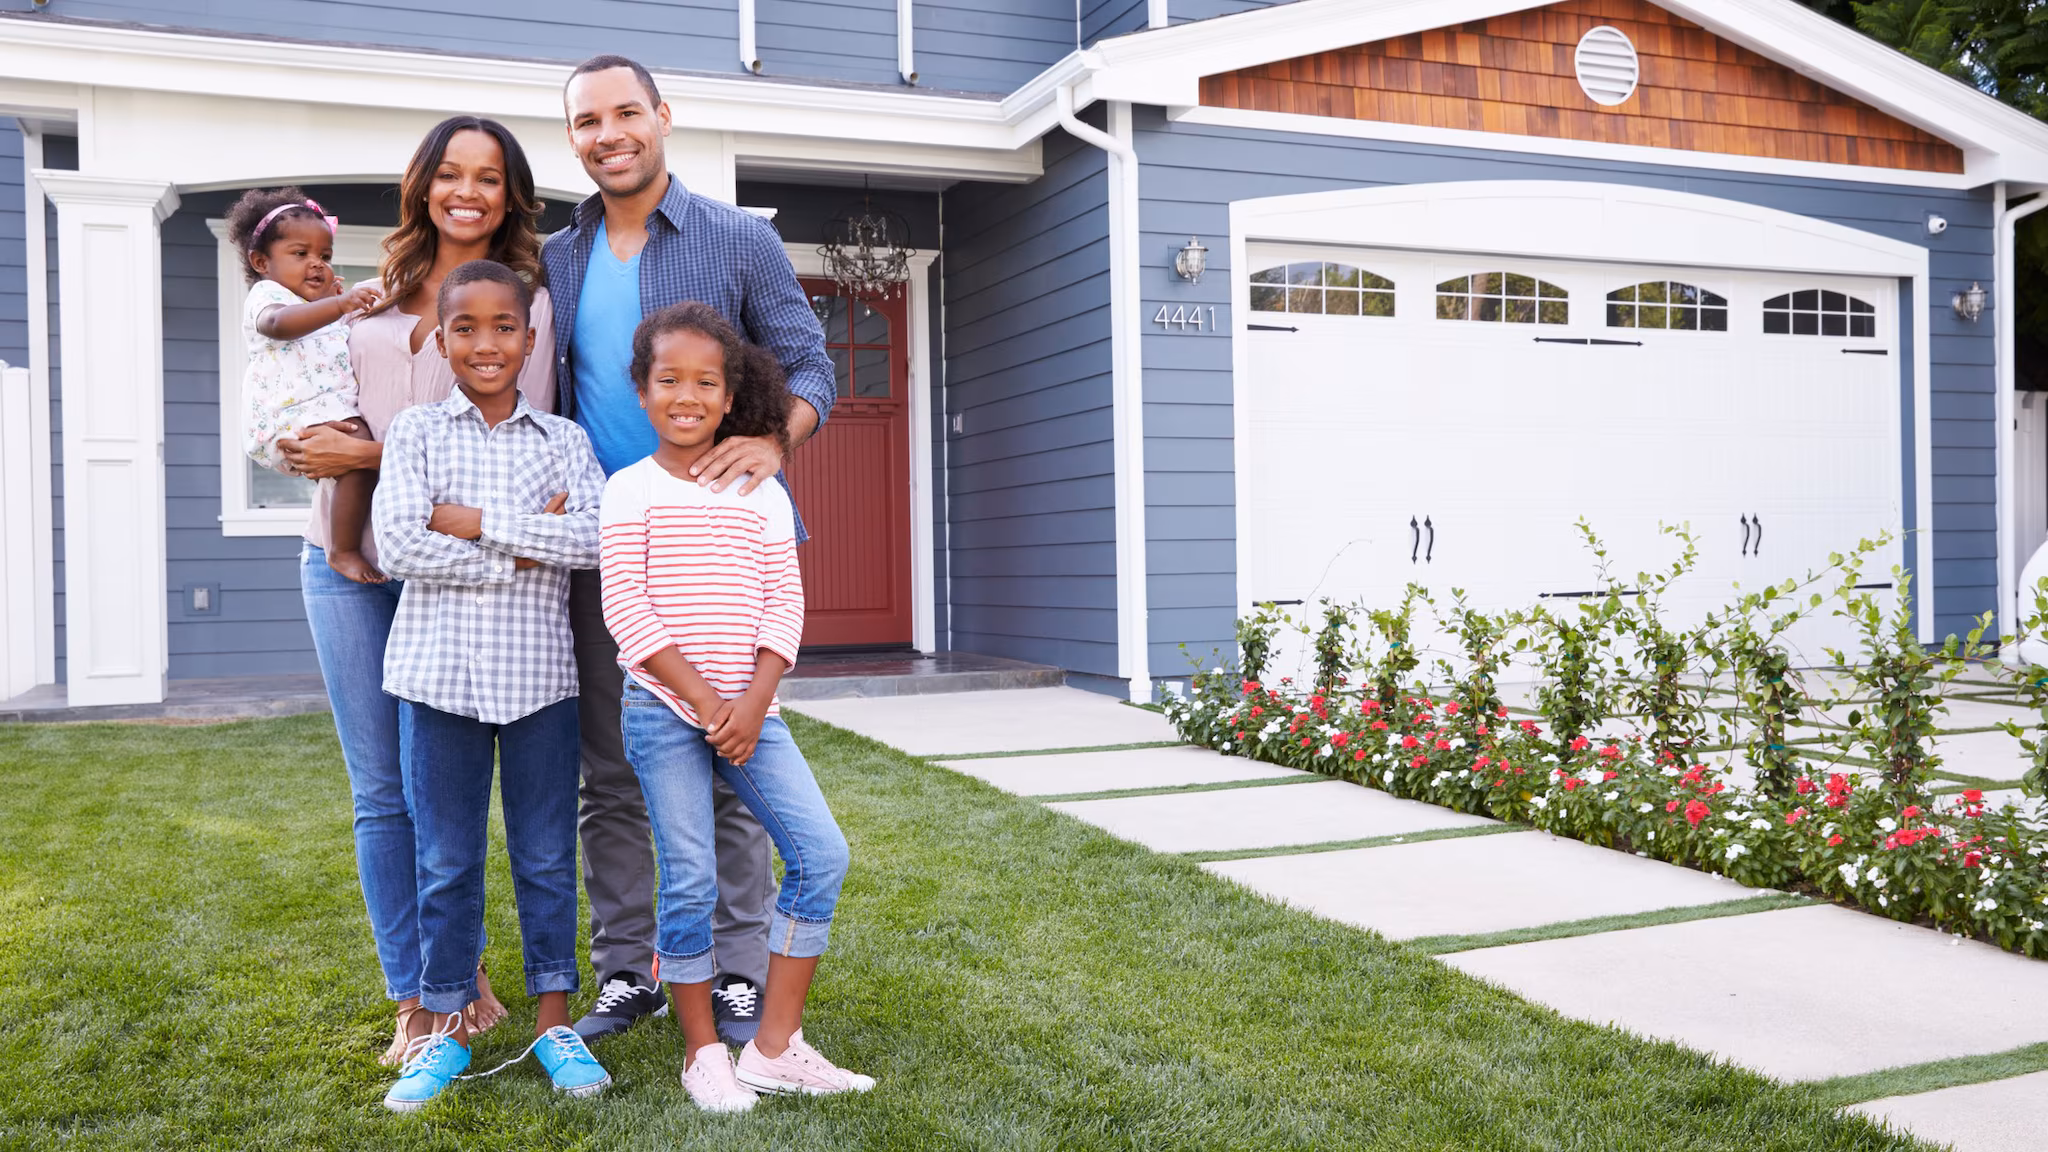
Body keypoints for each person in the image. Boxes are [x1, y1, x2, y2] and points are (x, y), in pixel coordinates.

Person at [543, 53, 836, 1045]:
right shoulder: (558, 256)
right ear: (573, 138)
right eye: (587, 121)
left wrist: (774, 437)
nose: (608, 133)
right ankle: (628, 972)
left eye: (626, 112)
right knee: (613, 771)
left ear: (662, 117)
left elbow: (808, 363)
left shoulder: (736, 239)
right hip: (613, 548)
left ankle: (741, 971)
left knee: (734, 765)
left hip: (727, 544)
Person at [280, 115, 556, 1065]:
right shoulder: (367, 294)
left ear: (511, 194)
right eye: (449, 173)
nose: (466, 191)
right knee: (380, 793)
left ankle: (458, 965)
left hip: (455, 579)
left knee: (450, 790)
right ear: (424, 184)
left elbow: (517, 455)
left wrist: (365, 450)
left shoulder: (529, 307)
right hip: (345, 562)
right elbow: (313, 410)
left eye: (488, 176)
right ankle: (421, 990)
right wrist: (311, 445)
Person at [602, 302, 868, 1111]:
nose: (687, 394)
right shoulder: (628, 491)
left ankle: (774, 1048)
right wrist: (709, 703)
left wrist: (754, 703)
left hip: (755, 711)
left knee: (821, 857)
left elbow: (783, 606)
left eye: (706, 381)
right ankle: (702, 1053)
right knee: (690, 879)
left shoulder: (764, 493)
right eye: (668, 379)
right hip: (663, 710)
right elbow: (629, 614)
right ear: (641, 392)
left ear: (730, 396)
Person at [373, 260, 610, 1111]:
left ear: (530, 337)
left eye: (503, 327)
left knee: (547, 856)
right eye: (465, 328)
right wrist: (521, 544)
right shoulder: (414, 434)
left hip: (540, 680)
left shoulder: (565, 443)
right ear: (442, 340)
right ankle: (442, 1027)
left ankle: (555, 1023)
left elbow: (590, 540)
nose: (485, 344)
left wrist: (472, 526)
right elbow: (398, 545)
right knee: (445, 860)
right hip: (437, 681)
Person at [229, 188, 383, 584]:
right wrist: (338, 304)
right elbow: (279, 325)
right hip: (290, 413)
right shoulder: (268, 296)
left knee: (354, 458)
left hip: (322, 409)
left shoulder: (317, 305)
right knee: (357, 455)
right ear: (262, 262)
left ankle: (346, 541)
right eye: (301, 255)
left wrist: (332, 305)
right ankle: (342, 549)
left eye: (325, 257)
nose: (316, 264)